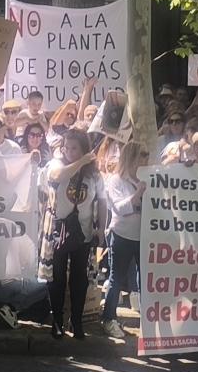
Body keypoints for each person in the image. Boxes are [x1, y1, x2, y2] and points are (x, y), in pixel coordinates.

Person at [43, 130, 103, 339]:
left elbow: (101, 201)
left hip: (84, 231)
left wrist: (101, 229)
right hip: (59, 230)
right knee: (57, 277)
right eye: (66, 147)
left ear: (84, 149)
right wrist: (80, 161)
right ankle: (57, 320)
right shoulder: (56, 164)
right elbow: (58, 176)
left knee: (79, 279)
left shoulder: (94, 174)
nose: (69, 152)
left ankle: (76, 322)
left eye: (74, 148)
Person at [100, 142, 146, 339]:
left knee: (145, 278)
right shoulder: (115, 180)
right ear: (131, 158)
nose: (145, 159)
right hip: (122, 236)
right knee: (116, 278)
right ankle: (109, 318)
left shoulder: (147, 178)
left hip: (144, 236)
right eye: (141, 155)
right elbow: (118, 208)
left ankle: (148, 319)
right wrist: (138, 196)